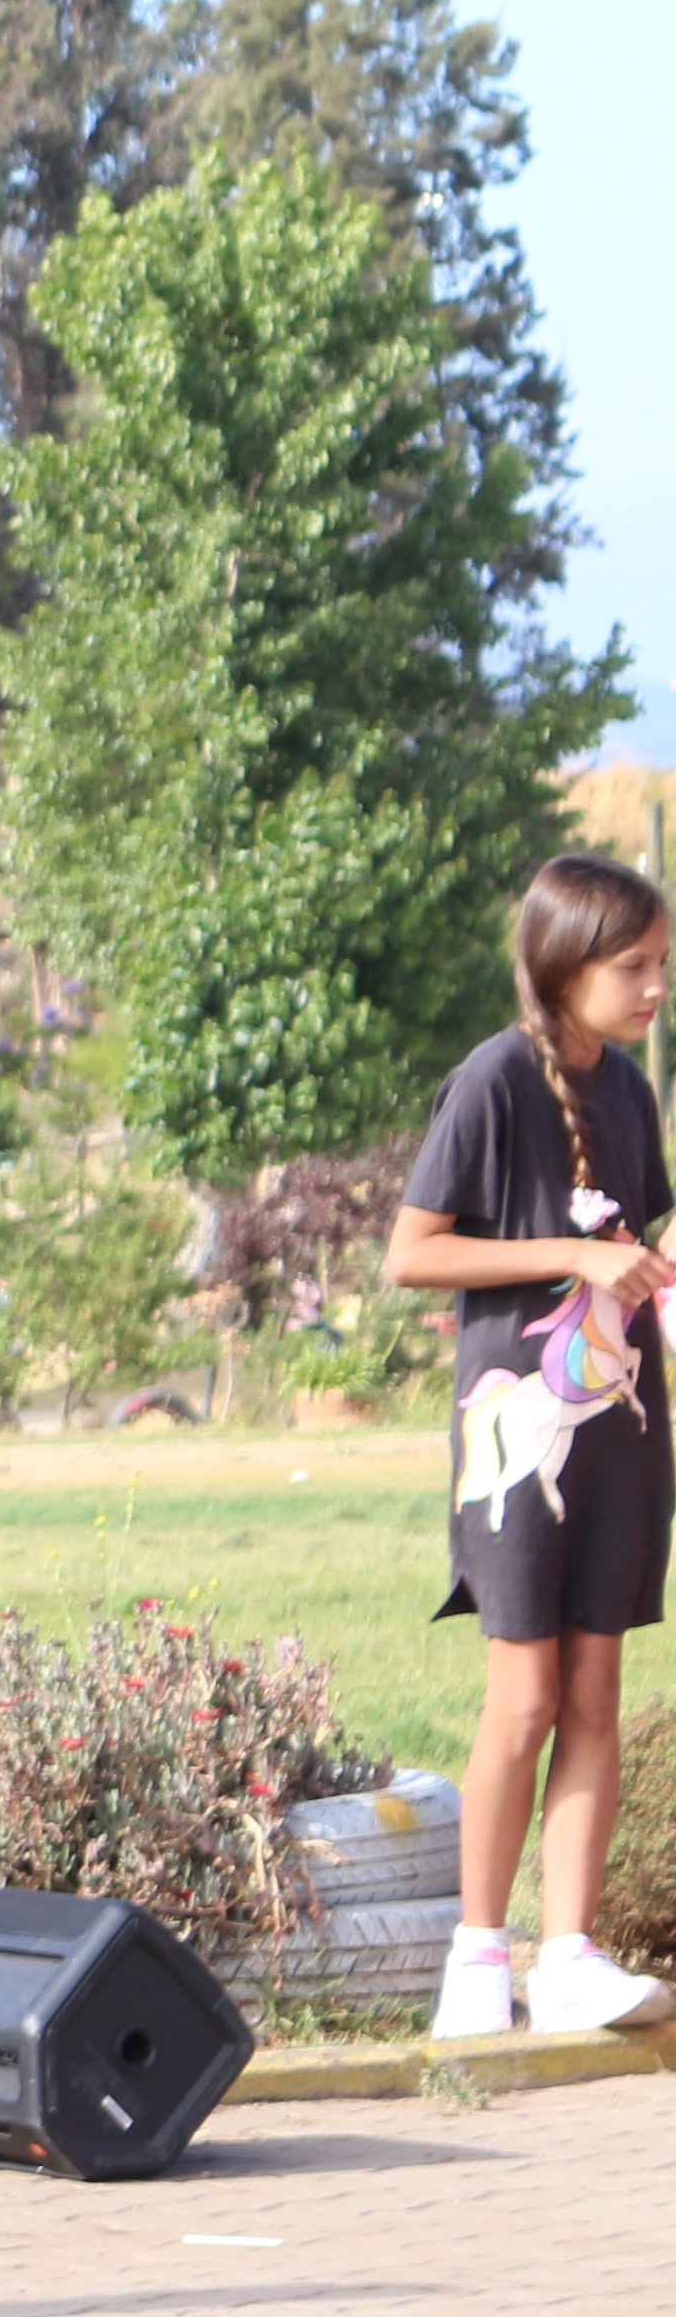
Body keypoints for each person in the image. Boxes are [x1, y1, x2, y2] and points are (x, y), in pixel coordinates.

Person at [390, 852, 676, 2040]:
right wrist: (572, 1255)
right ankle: (477, 1960)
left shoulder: (631, 1092)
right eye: (636, 966)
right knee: (524, 1699)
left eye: (662, 965)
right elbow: (412, 1253)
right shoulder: (495, 1079)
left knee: (596, 1692)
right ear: (567, 964)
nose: (657, 988)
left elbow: (638, 1249)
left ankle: (567, 1956)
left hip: (624, 1434)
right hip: (516, 1437)